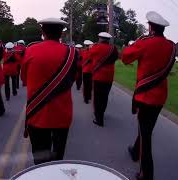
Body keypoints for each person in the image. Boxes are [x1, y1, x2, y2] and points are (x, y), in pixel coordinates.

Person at [121, 11, 176, 180]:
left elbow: (125, 58)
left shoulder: (144, 42)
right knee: (146, 128)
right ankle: (135, 150)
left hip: (145, 96)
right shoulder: (172, 46)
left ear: (151, 27)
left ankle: (146, 174)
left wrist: (137, 41)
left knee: (146, 134)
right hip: (160, 97)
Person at [22, 18, 78, 165]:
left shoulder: (30, 50)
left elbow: (24, 78)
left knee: (40, 160)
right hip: (62, 114)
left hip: (37, 113)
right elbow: (75, 78)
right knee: (58, 158)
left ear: (43, 32)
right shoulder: (73, 53)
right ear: (61, 34)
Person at [89, 32, 118, 127]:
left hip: (98, 76)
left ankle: (99, 119)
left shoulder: (95, 47)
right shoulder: (113, 49)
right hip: (109, 77)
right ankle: (102, 112)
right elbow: (116, 58)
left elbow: (90, 56)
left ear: (100, 39)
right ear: (108, 40)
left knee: (97, 98)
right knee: (105, 97)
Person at [81, 40, 94, 104]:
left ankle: (86, 98)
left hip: (85, 70)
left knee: (86, 85)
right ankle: (88, 96)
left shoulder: (83, 52)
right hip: (91, 71)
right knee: (90, 85)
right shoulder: (92, 52)